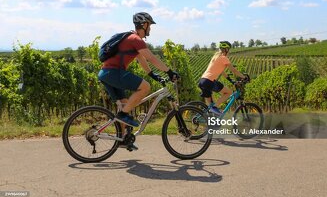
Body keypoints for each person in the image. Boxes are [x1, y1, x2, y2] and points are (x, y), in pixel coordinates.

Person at [98, 12, 179, 149]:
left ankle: (122, 139)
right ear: (144, 25)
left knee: (125, 104)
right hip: (113, 72)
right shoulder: (136, 39)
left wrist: (152, 74)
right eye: (150, 26)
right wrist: (169, 72)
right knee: (145, 87)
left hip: (105, 73)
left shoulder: (130, 38)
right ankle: (123, 115)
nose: (150, 29)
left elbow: (141, 59)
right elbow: (151, 58)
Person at [198, 41, 246, 114]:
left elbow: (222, 72)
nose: (229, 51)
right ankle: (215, 108)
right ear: (226, 49)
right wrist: (244, 77)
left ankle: (211, 119)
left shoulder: (215, 57)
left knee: (210, 105)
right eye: (228, 49)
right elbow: (234, 70)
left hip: (203, 81)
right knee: (229, 92)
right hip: (209, 81)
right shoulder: (224, 58)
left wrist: (231, 80)